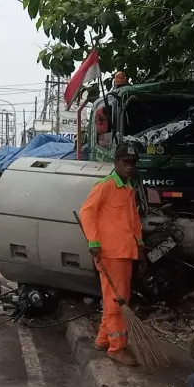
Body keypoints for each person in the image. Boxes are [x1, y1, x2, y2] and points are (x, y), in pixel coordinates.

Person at [79, 143, 144, 366]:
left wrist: (140, 244)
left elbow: (134, 221)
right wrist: (94, 241)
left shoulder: (128, 188)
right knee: (118, 300)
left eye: (132, 163)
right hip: (111, 253)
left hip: (125, 252)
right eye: (125, 162)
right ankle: (117, 349)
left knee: (114, 298)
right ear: (116, 163)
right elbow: (86, 213)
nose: (129, 167)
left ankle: (102, 340)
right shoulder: (105, 186)